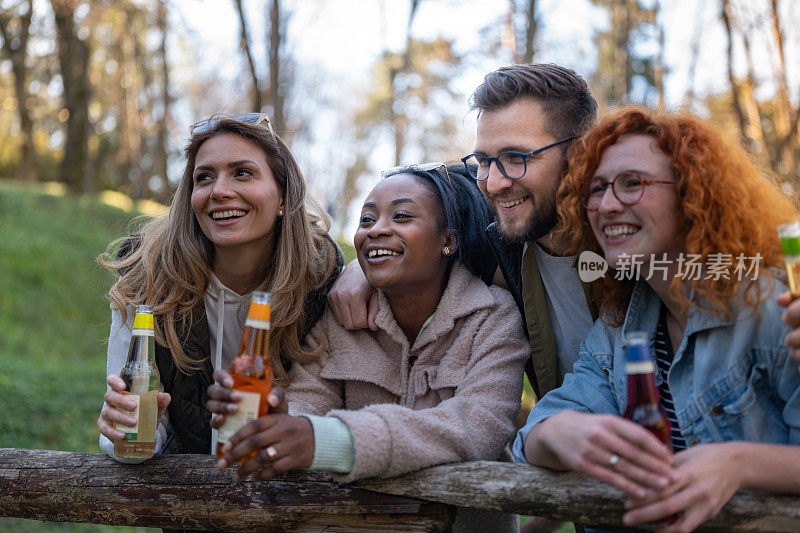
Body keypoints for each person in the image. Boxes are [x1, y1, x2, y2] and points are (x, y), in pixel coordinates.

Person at [515, 107, 800, 532]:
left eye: (633, 184)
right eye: (596, 189)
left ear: (693, 193)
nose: (607, 205)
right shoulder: (619, 328)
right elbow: (534, 438)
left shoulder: (777, 306)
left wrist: (739, 464)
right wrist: (563, 432)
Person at [208, 165, 529, 532]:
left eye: (402, 216)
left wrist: (330, 438)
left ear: (448, 240)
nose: (376, 230)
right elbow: (308, 401)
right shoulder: (341, 318)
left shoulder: (492, 315)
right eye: (366, 219)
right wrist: (278, 420)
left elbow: (478, 426)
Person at [328, 63, 599, 404]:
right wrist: (362, 270)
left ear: (580, 154)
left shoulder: (636, 248)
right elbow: (435, 203)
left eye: (516, 158)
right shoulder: (498, 249)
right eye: (484, 161)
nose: (495, 183)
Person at [96, 114, 342, 461]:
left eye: (242, 172)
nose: (220, 191)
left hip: (281, 496)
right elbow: (136, 437)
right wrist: (126, 432)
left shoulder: (322, 282)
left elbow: (323, 409)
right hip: (185, 502)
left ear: (284, 197)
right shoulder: (145, 280)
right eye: (204, 177)